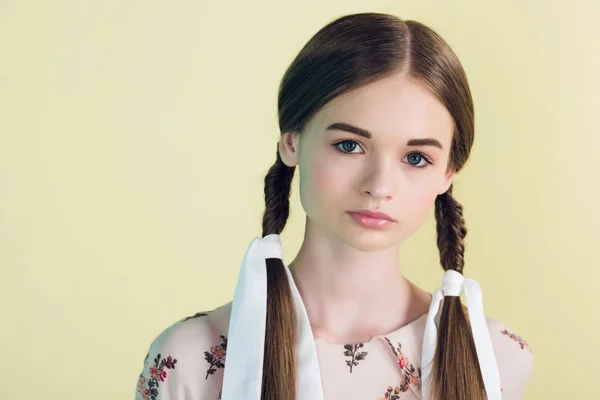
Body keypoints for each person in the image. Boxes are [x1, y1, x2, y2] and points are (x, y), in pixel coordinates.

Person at [134, 12, 533, 400]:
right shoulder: (190, 362)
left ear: (448, 172)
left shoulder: (494, 360)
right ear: (291, 141)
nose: (379, 186)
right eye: (349, 145)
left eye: (415, 158)